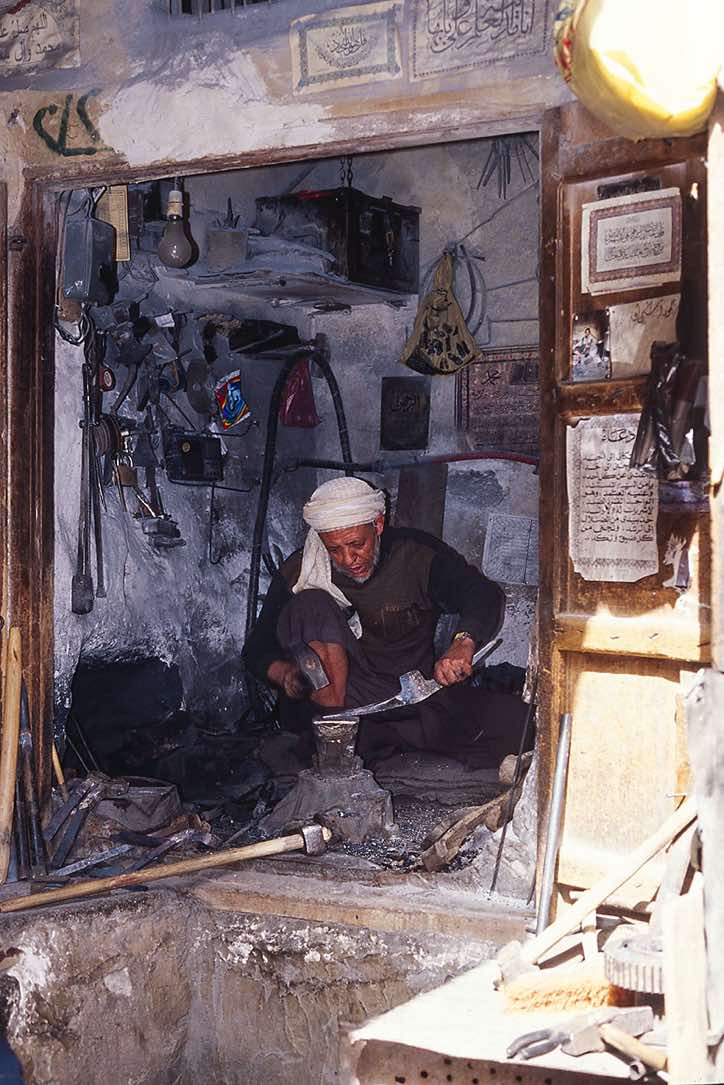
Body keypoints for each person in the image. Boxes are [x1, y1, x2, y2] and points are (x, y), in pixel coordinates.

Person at [242, 476, 528, 767]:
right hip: (341, 706)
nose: (348, 559)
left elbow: (481, 594)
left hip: (411, 697)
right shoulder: (302, 570)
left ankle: (382, 741)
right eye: (334, 549)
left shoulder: (415, 555)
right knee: (311, 603)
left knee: (522, 724)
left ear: (377, 525)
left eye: (357, 544)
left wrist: (463, 642)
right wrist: (285, 674)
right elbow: (257, 647)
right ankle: (341, 738)